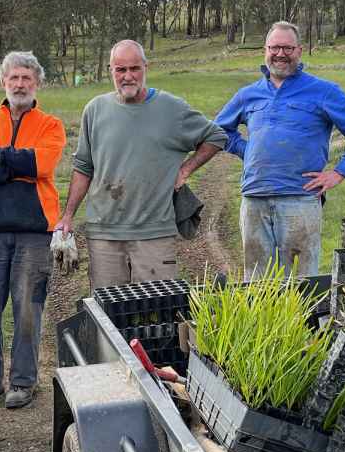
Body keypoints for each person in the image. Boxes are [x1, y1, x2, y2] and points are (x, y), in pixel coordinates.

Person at [55, 39, 226, 288]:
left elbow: (216, 136)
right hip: (105, 234)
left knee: (157, 314)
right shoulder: (95, 110)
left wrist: (185, 169)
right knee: (109, 314)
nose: (128, 76)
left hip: (154, 233)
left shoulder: (171, 109)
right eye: (120, 70)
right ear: (110, 71)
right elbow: (83, 167)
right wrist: (68, 216)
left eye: (134, 68)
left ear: (146, 67)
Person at [215, 21, 345, 278]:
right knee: (257, 283)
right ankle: (262, 321)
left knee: (301, 284)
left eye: (287, 48)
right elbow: (219, 130)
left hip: (300, 200)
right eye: (274, 47)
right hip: (254, 200)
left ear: (299, 51)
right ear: (265, 50)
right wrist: (246, 151)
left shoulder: (323, 91)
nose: (280, 54)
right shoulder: (248, 95)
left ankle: (303, 320)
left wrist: (339, 172)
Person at [0, 52, 66, 409]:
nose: (20, 84)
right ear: (4, 82)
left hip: (35, 233)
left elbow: (43, 163)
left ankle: (23, 381)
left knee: (28, 309)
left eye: (26, 78)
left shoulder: (50, 125)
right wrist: (16, 161)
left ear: (37, 83)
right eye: (13, 78)